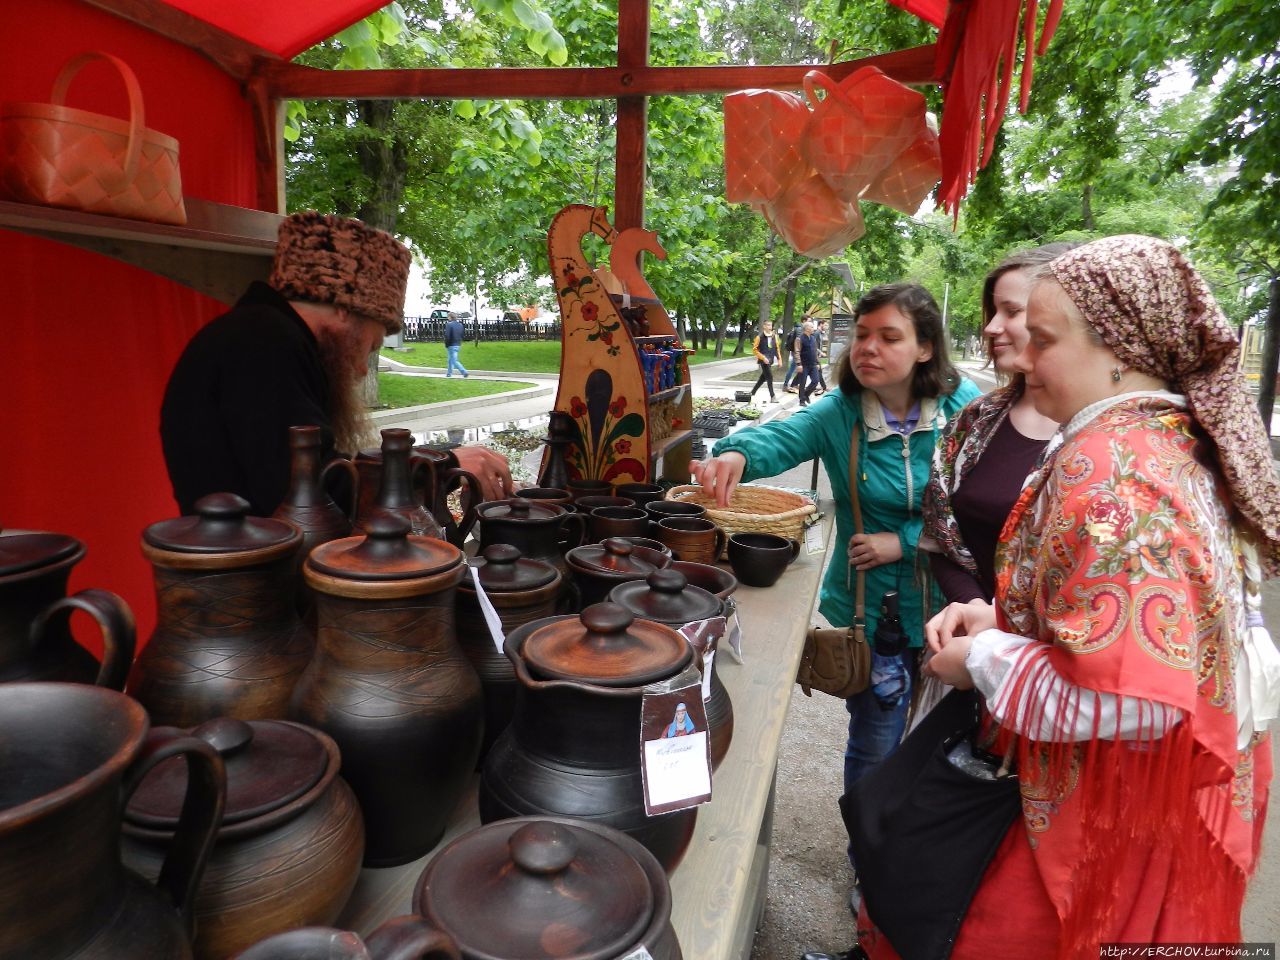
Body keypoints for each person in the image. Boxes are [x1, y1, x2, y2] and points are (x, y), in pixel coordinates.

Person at [896, 236, 1279, 958]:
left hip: (1110, 813)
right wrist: (1007, 623)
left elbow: (1133, 699)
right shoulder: (1168, 439)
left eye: (1043, 338)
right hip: (1160, 810)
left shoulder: (1113, 469)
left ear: (1121, 350)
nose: (1024, 357)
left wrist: (982, 660)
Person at [692, 282, 980, 803]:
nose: (868, 348)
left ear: (925, 347)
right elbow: (784, 435)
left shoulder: (966, 410)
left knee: (941, 743)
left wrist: (909, 540)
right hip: (873, 617)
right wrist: (734, 454)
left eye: (889, 337)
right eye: (863, 335)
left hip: (955, 610)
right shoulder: (843, 412)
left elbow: (988, 506)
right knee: (875, 744)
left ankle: (913, 848)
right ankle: (866, 857)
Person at [160, 211, 512, 517]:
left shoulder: (267, 335)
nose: (362, 369)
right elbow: (312, 494)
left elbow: (319, 468)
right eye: (371, 346)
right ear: (345, 306)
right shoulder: (263, 343)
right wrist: (445, 466)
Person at [920, 244, 1074, 605]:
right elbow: (943, 541)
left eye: (1012, 311)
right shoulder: (974, 421)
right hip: (964, 643)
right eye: (993, 311)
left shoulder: (1109, 436)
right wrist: (973, 610)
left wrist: (1001, 635)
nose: (991, 327)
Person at [750, 319, 783, 403]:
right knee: (770, 377)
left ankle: (752, 393)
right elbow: (754, 350)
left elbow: (777, 349)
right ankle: (773, 396)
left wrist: (779, 359)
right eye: (767, 325)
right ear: (764, 326)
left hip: (770, 360)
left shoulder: (774, 336)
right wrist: (763, 358)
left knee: (763, 378)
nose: (769, 327)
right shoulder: (759, 337)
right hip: (763, 361)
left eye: (770, 325)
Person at [795, 320, 821, 406]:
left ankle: (806, 394)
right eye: (812, 327)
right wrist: (799, 364)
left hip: (813, 364)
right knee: (803, 382)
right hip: (804, 364)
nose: (814, 328)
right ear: (807, 328)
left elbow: (815, 351)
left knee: (815, 381)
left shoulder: (813, 338)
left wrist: (817, 362)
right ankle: (801, 401)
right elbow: (797, 351)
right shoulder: (799, 339)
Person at [443, 311, 470, 378]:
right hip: (458, 344)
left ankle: (464, 372)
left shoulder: (449, 325)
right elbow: (461, 334)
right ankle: (449, 373)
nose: (447, 318)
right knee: (450, 359)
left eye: (448, 316)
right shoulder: (460, 325)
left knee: (454, 361)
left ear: (450, 317)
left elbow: (447, 336)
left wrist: (446, 344)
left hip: (451, 344)